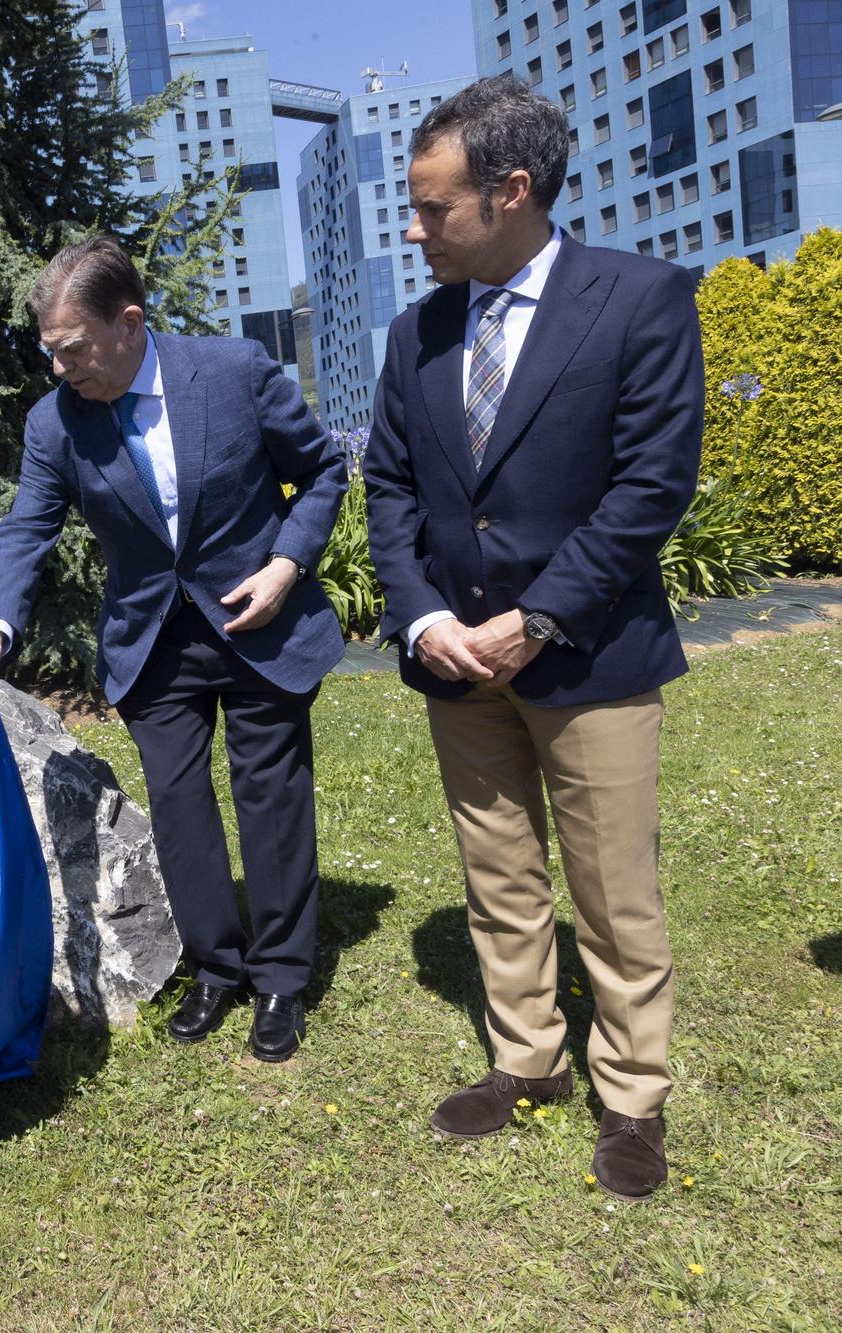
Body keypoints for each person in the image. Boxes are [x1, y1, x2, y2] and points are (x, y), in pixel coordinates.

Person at [363, 75, 702, 1200]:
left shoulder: (639, 299)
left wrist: (538, 615)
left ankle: (633, 1093)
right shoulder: (415, 334)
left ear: (510, 192)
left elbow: (649, 487)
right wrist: (419, 618)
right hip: (458, 668)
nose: (412, 231)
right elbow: (388, 489)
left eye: (431, 209)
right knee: (497, 876)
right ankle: (525, 1061)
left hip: (588, 655)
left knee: (611, 890)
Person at [0, 235, 347, 1062]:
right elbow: (27, 528)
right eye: (48, 352)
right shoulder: (55, 422)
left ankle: (280, 975)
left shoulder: (236, 371)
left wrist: (285, 566)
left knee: (269, 791)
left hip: (256, 619)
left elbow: (321, 472)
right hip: (152, 636)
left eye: (73, 349)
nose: (61, 367)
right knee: (177, 801)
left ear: (129, 322)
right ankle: (217, 964)